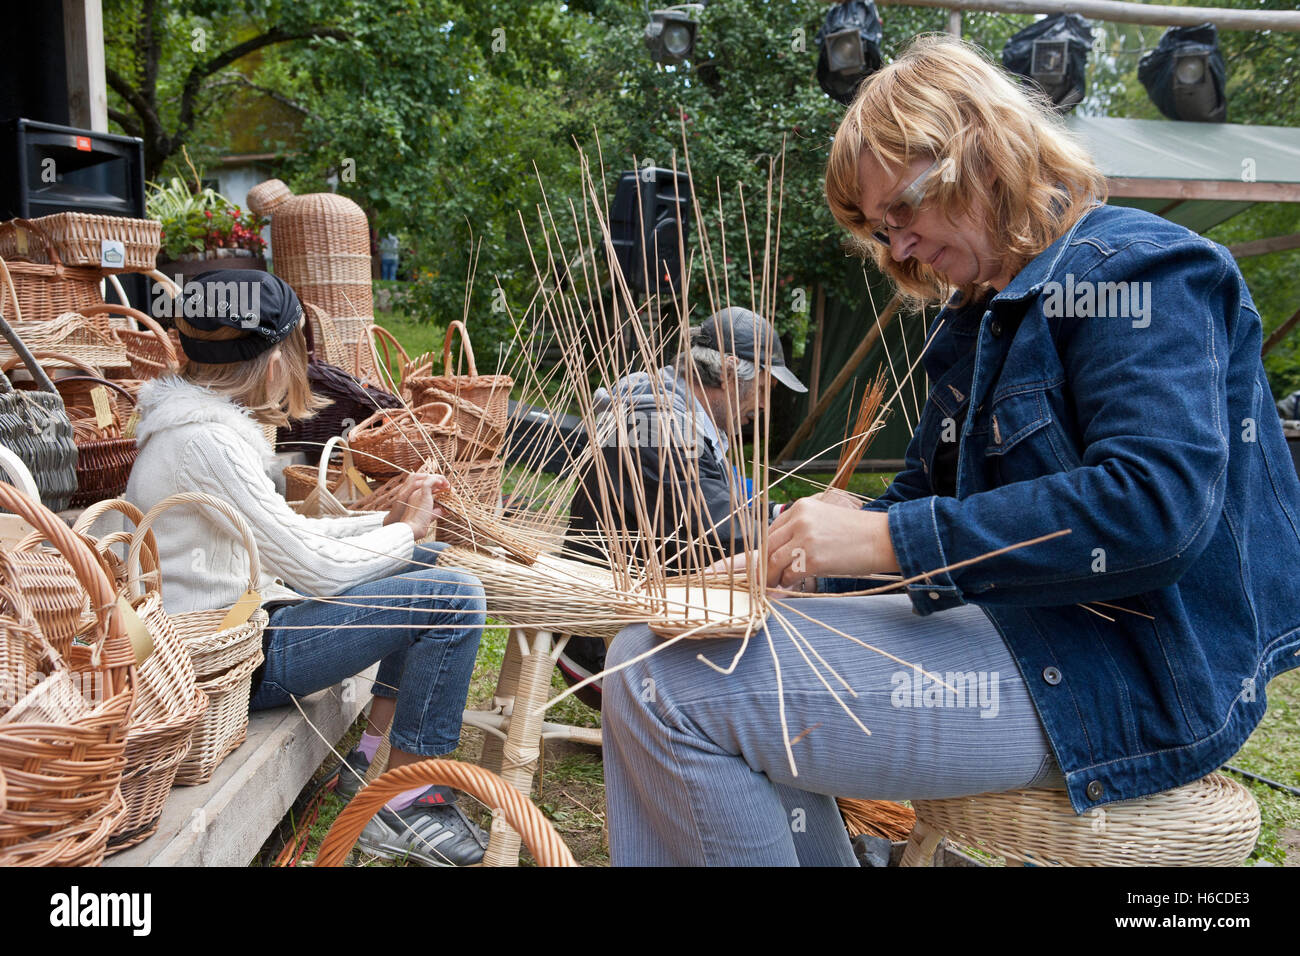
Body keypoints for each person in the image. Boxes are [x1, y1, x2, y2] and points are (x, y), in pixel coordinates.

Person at [599, 34, 1300, 865]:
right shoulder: (981, 316)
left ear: (979, 150)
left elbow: (1152, 511)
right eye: (877, 228)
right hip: (1025, 626)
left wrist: (888, 539)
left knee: (666, 689)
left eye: (902, 210)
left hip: (1121, 670)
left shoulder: (1141, 273)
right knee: (651, 651)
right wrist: (797, 551)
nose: (896, 247)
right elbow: (922, 500)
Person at [127, 270, 489, 867]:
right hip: (224, 663)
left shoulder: (191, 432)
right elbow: (314, 568)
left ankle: (369, 755)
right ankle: (410, 806)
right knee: (450, 597)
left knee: (423, 562)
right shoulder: (205, 444)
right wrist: (401, 531)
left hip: (237, 623)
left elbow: (287, 538)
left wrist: (385, 525)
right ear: (274, 364)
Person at [560, 307, 807, 706]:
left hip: (636, 619)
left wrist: (788, 514)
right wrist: (810, 532)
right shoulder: (659, 422)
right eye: (762, 388)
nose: (763, 405)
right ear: (728, 374)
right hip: (609, 647)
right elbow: (720, 531)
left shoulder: (674, 414)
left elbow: (714, 500)